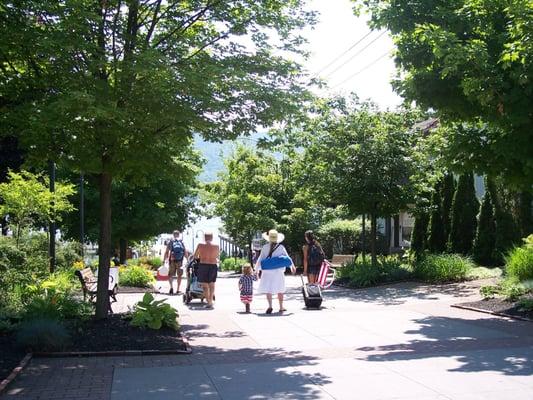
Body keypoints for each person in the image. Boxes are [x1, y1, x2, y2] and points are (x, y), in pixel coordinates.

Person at [255, 229, 295, 314]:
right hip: (278, 272)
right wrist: (292, 267)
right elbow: (287, 258)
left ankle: (270, 306)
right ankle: (281, 307)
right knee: (280, 289)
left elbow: (260, 259)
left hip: (267, 272)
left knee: (268, 289)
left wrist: (256, 270)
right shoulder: (281, 247)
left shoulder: (265, 247)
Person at [193, 231, 219, 309]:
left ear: (204, 238)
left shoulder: (200, 245)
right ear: (212, 238)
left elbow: (195, 256)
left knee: (205, 286)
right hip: (213, 265)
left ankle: (209, 302)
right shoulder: (216, 246)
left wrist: (201, 257)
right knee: (212, 285)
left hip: (203, 265)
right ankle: (210, 300)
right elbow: (217, 256)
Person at [164, 230, 188, 295]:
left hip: (172, 260)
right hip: (180, 261)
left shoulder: (171, 242)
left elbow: (166, 252)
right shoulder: (181, 242)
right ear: (179, 234)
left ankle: (171, 287)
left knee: (170, 275)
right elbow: (185, 252)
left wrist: (164, 260)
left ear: (173, 234)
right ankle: (178, 289)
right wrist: (188, 260)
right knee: (179, 275)